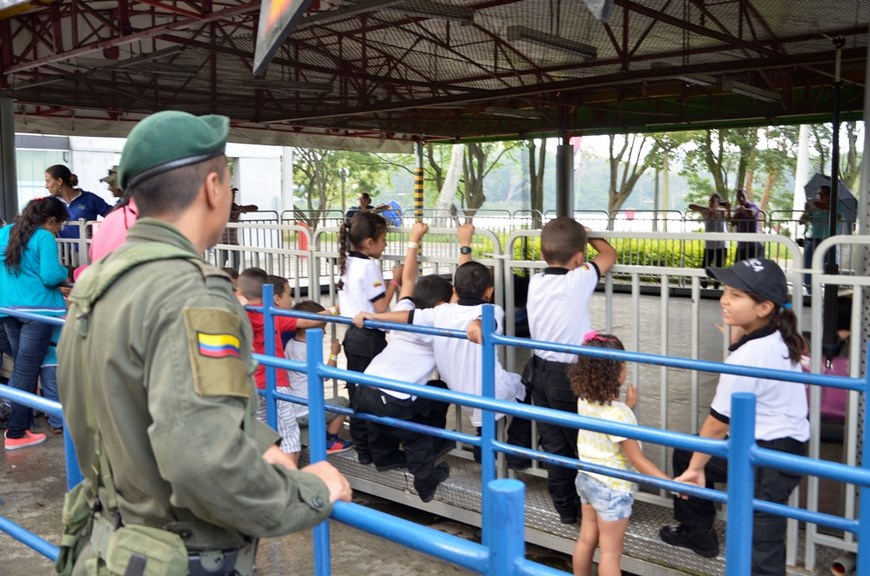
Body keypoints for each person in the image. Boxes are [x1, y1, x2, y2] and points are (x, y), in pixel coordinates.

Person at [57, 111, 351, 576]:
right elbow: (204, 466)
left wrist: (256, 442)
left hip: (107, 546)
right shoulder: (193, 293)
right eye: (229, 185)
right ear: (213, 188)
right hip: (178, 556)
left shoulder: (98, 284)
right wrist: (309, 492)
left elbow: (140, 398)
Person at [659, 258, 808, 575]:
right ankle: (697, 532)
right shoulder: (779, 337)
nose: (725, 300)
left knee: (762, 544)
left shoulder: (749, 355)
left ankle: (703, 531)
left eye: (737, 295)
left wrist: (695, 471)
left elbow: (715, 425)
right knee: (687, 451)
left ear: (764, 308)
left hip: (768, 457)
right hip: (778, 447)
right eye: (726, 292)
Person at [357, 260, 531, 469]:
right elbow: (488, 319)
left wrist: (375, 316)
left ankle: (482, 449)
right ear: (490, 291)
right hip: (489, 389)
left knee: (488, 412)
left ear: (455, 290)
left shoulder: (441, 312)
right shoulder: (492, 309)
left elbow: (409, 316)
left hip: (456, 389)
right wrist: (477, 323)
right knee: (525, 392)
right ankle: (518, 455)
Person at [351, 222, 461, 500]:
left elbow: (409, 280)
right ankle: (426, 483)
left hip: (366, 388)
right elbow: (462, 301)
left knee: (430, 393)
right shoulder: (438, 322)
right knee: (416, 437)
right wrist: (464, 248)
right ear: (442, 305)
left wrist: (414, 240)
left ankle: (385, 456)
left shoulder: (404, 309)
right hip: (393, 400)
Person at [524, 216, 617, 524]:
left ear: (542, 255)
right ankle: (595, 506)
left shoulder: (536, 282)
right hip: (570, 377)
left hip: (539, 373)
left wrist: (580, 241)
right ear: (579, 259)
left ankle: (565, 509)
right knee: (583, 442)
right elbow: (609, 256)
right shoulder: (578, 279)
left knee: (554, 444)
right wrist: (592, 237)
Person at [569, 332, 669, 576]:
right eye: (624, 364)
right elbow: (637, 459)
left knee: (586, 539)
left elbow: (607, 422)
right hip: (612, 488)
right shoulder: (619, 415)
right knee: (610, 552)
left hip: (587, 478)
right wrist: (671, 484)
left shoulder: (584, 400)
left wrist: (627, 405)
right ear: (615, 372)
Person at [238, 268, 329, 465]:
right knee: (289, 437)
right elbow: (308, 320)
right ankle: (290, 480)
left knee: (261, 434)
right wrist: (336, 310)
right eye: (289, 294)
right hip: (276, 382)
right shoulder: (272, 315)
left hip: (251, 384)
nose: (291, 299)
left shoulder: (240, 314)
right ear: (272, 295)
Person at [0, 197, 71, 451]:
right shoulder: (44, 237)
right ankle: (16, 433)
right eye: (59, 224)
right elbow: (50, 275)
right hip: (37, 311)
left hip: (8, 309)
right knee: (26, 371)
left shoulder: (6, 232)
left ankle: (23, 425)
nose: (58, 229)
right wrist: (66, 273)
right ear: (51, 220)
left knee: (22, 367)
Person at [338, 210, 401, 465]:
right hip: (369, 337)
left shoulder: (347, 262)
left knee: (357, 392)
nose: (385, 246)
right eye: (384, 240)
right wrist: (396, 281)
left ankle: (363, 449)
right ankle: (378, 452)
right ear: (369, 242)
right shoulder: (369, 267)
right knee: (373, 394)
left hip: (352, 335)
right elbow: (381, 308)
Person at [285, 300, 353, 455]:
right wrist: (334, 353)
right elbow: (325, 375)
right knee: (343, 403)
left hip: (292, 407)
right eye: (323, 328)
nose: (325, 333)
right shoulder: (309, 349)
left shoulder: (290, 343)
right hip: (305, 411)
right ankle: (329, 440)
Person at [44, 164, 112, 240]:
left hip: (87, 249)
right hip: (61, 250)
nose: (46, 186)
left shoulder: (90, 199)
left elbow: (114, 215)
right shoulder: (50, 203)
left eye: (48, 181)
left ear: (59, 181)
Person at [688, 194, 730, 288]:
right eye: (710, 201)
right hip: (709, 245)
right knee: (705, 265)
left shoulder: (722, 212)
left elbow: (728, 217)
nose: (710, 203)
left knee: (719, 266)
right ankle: (704, 284)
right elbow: (691, 206)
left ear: (718, 203)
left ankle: (716, 286)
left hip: (721, 244)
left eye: (713, 201)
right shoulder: (705, 212)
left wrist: (727, 207)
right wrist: (707, 209)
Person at [799, 184, 832, 292]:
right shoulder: (814, 206)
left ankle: (828, 294)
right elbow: (801, 222)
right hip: (812, 240)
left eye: (823, 194)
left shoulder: (837, 206)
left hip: (828, 241)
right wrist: (806, 211)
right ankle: (810, 292)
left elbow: (839, 217)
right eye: (819, 194)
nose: (820, 196)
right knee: (808, 267)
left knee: (828, 268)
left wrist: (827, 208)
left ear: (830, 195)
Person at [220, 187, 258, 270]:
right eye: (230, 194)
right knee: (219, 267)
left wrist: (240, 208)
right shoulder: (220, 207)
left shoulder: (235, 207)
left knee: (236, 267)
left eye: (234, 194)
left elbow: (255, 207)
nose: (233, 196)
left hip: (233, 242)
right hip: (221, 243)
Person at [730, 189, 763, 262]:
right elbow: (733, 223)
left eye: (743, 196)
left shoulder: (753, 206)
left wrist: (742, 209)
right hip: (742, 245)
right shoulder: (738, 209)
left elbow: (751, 213)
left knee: (752, 269)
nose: (741, 198)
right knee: (738, 268)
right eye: (738, 197)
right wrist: (738, 212)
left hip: (753, 245)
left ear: (747, 196)